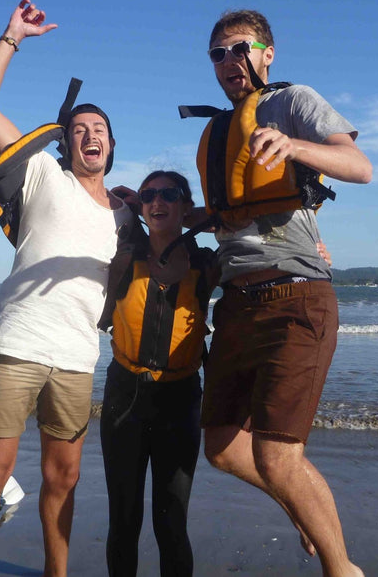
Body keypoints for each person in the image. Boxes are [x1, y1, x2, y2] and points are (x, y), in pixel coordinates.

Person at [196, 10, 372, 577]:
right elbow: (232, 215)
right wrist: (154, 208)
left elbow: (359, 166)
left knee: (276, 455)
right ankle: (297, 496)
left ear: (267, 52)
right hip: (237, 305)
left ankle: (342, 569)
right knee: (223, 446)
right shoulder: (219, 129)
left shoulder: (292, 102)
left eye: (238, 49)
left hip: (295, 297)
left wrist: (294, 146)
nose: (227, 62)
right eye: (216, 54)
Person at [0, 0, 133, 577]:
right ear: (67, 143)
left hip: (77, 358)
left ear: (112, 145)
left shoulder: (126, 215)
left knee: (65, 479)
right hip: (16, 345)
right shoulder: (41, 174)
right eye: (80, 129)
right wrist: (12, 37)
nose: (90, 135)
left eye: (100, 130)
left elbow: (181, 241)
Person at [98, 171, 218, 577]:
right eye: (148, 195)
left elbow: (251, 244)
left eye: (169, 194)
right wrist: (128, 205)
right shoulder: (122, 255)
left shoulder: (207, 265)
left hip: (180, 400)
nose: (156, 201)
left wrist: (316, 252)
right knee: (124, 520)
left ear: (185, 207)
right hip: (124, 397)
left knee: (171, 523)